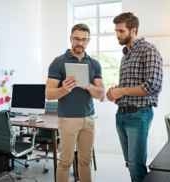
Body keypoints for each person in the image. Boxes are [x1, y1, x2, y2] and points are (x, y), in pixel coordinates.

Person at [106, 12, 163, 182]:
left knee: (136, 165)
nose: (117, 34)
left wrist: (122, 91)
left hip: (139, 115)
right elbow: (129, 87)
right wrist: (115, 93)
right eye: (116, 31)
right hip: (122, 114)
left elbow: (153, 85)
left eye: (121, 31)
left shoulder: (148, 50)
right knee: (130, 163)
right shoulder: (125, 55)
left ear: (134, 30)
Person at [46, 23, 105, 182]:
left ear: (88, 41)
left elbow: (101, 94)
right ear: (71, 38)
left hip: (88, 118)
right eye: (77, 39)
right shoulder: (58, 62)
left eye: (84, 40)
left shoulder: (94, 64)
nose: (80, 43)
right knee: (65, 162)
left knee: (85, 161)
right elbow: (48, 94)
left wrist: (88, 85)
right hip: (68, 119)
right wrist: (64, 89)